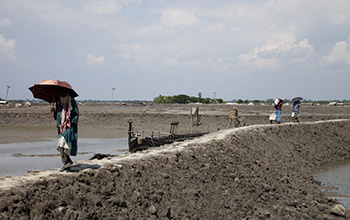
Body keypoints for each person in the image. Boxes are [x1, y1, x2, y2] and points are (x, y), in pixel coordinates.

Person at [51, 89, 79, 171]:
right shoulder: (58, 102)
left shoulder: (72, 102)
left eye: (64, 94)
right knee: (62, 146)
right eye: (61, 94)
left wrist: (71, 121)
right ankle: (67, 162)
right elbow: (57, 116)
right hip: (60, 128)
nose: (63, 95)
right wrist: (53, 113)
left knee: (63, 144)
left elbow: (76, 115)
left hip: (68, 127)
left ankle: (68, 162)